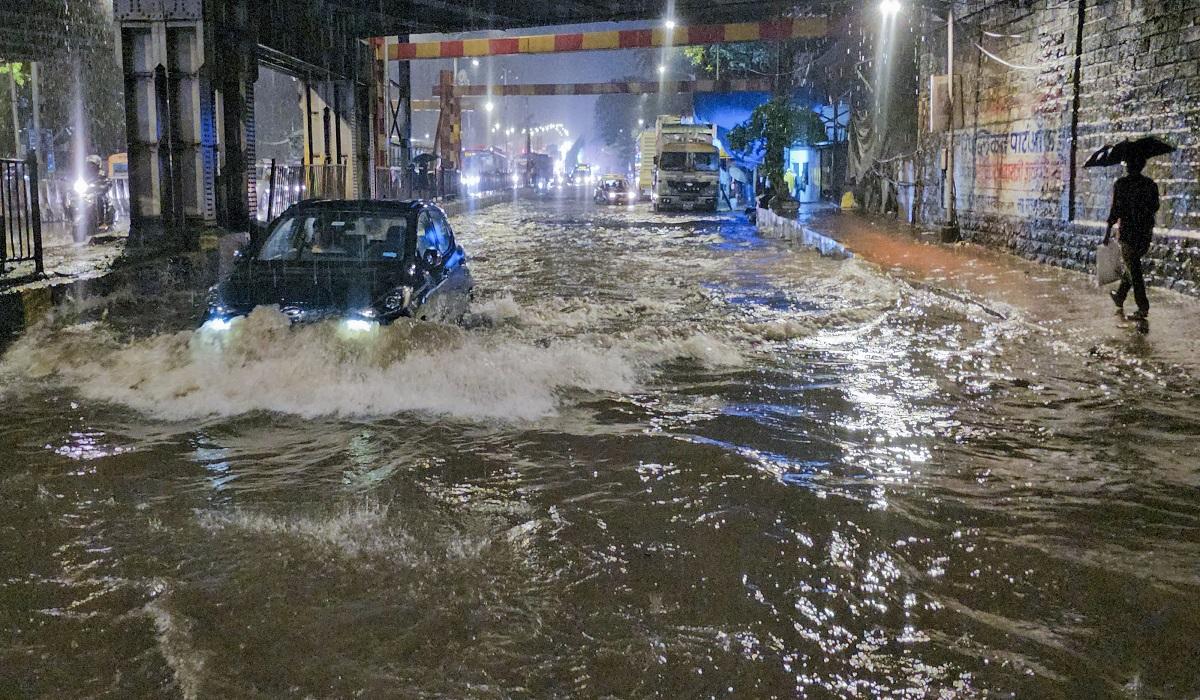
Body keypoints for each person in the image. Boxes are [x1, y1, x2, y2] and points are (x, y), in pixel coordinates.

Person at [1105, 155, 1159, 333]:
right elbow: (1155, 206)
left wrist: (1107, 232)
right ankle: (1120, 296)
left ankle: (1143, 306)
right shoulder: (1150, 185)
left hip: (1128, 233)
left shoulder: (1121, 184)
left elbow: (1115, 210)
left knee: (1134, 269)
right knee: (1133, 265)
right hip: (1144, 233)